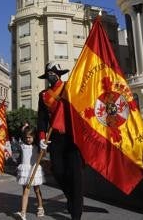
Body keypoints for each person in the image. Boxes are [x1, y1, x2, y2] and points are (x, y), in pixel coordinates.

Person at [37, 62, 84, 220]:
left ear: (59, 74)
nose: (50, 76)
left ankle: (76, 213)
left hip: (73, 137)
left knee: (76, 177)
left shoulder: (70, 88)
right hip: (55, 138)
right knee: (57, 171)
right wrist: (42, 138)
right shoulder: (43, 95)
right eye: (48, 73)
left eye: (53, 73)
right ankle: (72, 198)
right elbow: (42, 119)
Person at [14, 125, 45, 220]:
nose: (28, 139)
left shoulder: (37, 147)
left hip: (34, 170)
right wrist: (24, 128)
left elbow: (42, 156)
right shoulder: (22, 146)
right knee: (25, 191)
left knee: (36, 190)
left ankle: (40, 207)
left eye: (30, 137)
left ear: (34, 136)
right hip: (25, 172)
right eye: (26, 137)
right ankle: (23, 213)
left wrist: (44, 147)